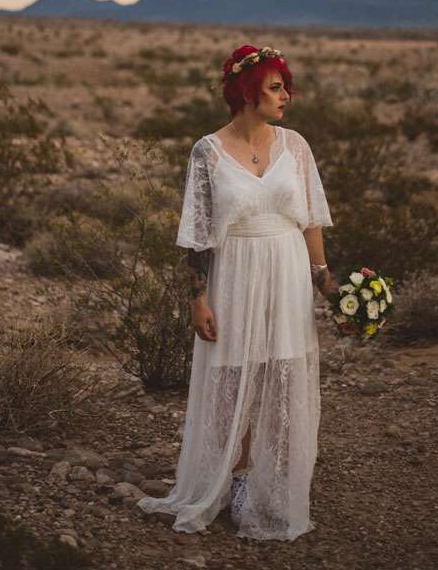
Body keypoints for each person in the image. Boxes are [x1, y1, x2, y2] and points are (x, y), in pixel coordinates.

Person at [137, 44, 339, 541]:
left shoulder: (296, 147)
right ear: (246, 93)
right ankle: (239, 475)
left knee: (281, 368)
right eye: (275, 87)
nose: (285, 95)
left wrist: (327, 281)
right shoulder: (207, 151)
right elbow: (199, 232)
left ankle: (276, 482)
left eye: (284, 86)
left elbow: (311, 219)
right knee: (234, 374)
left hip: (288, 267)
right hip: (235, 269)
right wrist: (197, 299)